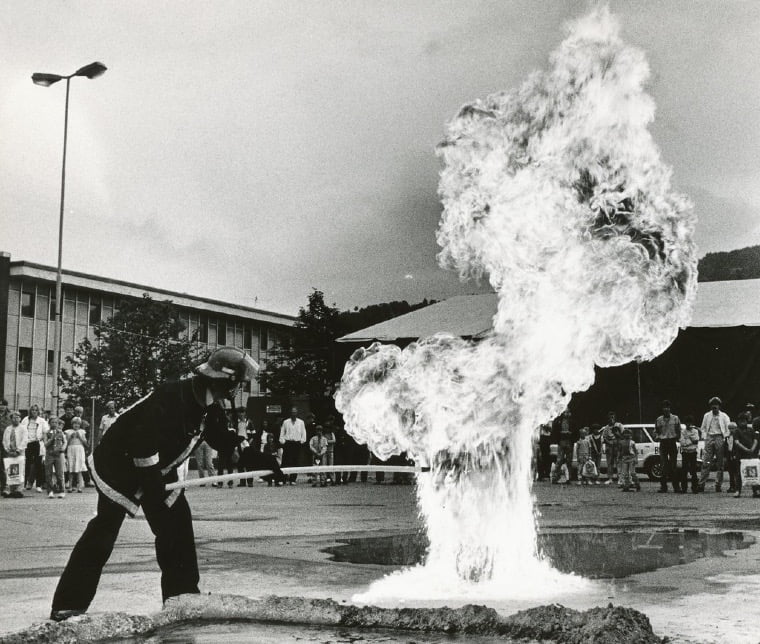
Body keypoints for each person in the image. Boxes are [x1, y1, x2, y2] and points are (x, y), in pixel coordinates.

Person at [49, 346, 257, 622]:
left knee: (177, 526)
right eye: (238, 383)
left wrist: (258, 458)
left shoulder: (209, 407)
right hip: (119, 465)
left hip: (156, 468)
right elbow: (141, 441)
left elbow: (223, 441)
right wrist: (152, 487)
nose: (238, 389)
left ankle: (182, 599)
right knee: (104, 531)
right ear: (225, 380)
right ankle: (68, 605)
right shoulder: (171, 396)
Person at [698, 397, 730, 492]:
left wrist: (724, 437)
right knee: (706, 462)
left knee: (720, 463)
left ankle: (718, 484)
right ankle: (701, 484)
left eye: (716, 404)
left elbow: (728, 429)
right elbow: (703, 428)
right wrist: (705, 437)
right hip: (709, 437)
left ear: (719, 406)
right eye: (713, 404)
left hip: (719, 437)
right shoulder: (707, 416)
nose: (714, 406)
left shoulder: (724, 416)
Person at [654, 400, 681, 493]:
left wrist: (677, 437)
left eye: (668, 407)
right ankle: (663, 487)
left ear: (670, 408)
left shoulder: (675, 418)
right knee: (663, 465)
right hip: (663, 442)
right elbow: (656, 431)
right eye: (664, 407)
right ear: (662, 409)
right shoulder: (659, 419)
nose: (666, 409)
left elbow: (679, 430)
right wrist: (658, 437)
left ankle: (676, 487)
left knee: (674, 465)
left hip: (672, 442)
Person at [21, 403, 48, 492]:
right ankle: (25, 484)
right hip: (28, 444)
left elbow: (45, 433)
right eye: (33, 410)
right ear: (30, 411)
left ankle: (38, 485)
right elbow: (21, 431)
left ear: (38, 411)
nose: (34, 412)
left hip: (37, 444)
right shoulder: (25, 419)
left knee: (38, 464)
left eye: (36, 410)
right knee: (27, 464)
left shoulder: (42, 421)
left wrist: (45, 445)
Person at [732, 413, 758, 498]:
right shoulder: (736, 431)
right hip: (740, 455)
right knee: (739, 473)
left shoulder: (751, 430)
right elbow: (737, 442)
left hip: (751, 454)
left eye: (744, 421)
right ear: (738, 422)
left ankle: (756, 490)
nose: (742, 423)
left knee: (754, 472)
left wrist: (752, 449)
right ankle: (737, 490)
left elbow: (755, 440)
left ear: (747, 421)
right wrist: (746, 449)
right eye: (741, 421)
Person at [2, 411, 28, 498]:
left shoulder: (23, 428)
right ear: (11, 419)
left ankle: (19, 489)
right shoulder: (8, 429)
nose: (15, 419)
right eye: (13, 417)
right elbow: (4, 441)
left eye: (17, 417)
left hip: (19, 452)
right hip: (10, 452)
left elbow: (24, 440)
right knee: (9, 470)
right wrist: (7, 450)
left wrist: (18, 450)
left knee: (20, 471)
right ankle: (9, 489)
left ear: (20, 418)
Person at [280, 407, 306, 484]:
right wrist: (283, 441)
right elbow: (282, 433)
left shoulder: (301, 422)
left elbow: (303, 433)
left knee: (295, 461)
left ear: (296, 413)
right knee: (285, 461)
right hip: (288, 443)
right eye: (292, 412)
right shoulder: (285, 422)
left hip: (296, 444)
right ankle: (283, 479)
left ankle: (292, 479)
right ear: (290, 413)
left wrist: (301, 441)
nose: (293, 414)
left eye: (294, 412)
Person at [44, 418, 67, 499]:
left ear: (58, 424)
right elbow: (46, 444)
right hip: (49, 454)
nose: (54, 424)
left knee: (59, 473)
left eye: (56, 422)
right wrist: (52, 438)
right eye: (52, 422)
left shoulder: (61, 432)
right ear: (49, 423)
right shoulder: (46, 433)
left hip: (58, 454)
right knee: (48, 473)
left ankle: (61, 490)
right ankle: (50, 491)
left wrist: (63, 448)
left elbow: (65, 441)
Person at [65, 417, 89, 493]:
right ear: (72, 424)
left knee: (79, 468)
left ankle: (80, 487)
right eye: (75, 423)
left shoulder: (82, 432)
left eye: (78, 424)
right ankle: (70, 486)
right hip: (71, 449)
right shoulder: (68, 432)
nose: (76, 425)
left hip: (79, 450)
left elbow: (85, 444)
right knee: (71, 468)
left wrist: (80, 437)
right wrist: (70, 437)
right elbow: (66, 443)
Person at [552, 410, 575, 483]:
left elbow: (575, 431)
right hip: (561, 441)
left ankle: (569, 478)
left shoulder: (572, 422)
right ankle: (555, 477)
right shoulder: (559, 421)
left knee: (569, 461)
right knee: (559, 460)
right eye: (565, 412)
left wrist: (571, 435)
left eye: (568, 412)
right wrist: (558, 439)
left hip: (569, 441)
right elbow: (555, 431)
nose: (567, 414)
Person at [678, 415, 700, 494]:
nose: (688, 424)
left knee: (693, 471)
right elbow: (682, 443)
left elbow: (696, 440)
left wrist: (688, 439)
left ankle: (695, 488)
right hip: (685, 452)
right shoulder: (682, 432)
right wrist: (691, 440)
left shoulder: (695, 431)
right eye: (687, 423)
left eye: (690, 422)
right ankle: (684, 488)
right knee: (684, 470)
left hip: (693, 452)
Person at [601, 412, 623, 485]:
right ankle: (610, 478)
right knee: (609, 463)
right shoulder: (606, 428)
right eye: (610, 418)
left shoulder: (619, 425)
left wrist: (617, 435)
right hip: (609, 445)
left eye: (613, 417)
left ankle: (620, 478)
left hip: (617, 444)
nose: (611, 419)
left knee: (618, 462)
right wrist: (608, 442)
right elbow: (604, 437)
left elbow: (623, 435)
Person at [617, 428, 639, 492]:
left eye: (628, 433)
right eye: (625, 433)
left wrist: (636, 458)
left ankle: (637, 484)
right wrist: (618, 458)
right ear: (623, 435)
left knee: (632, 473)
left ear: (630, 435)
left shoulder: (632, 442)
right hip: (624, 458)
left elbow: (635, 451)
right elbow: (619, 451)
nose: (627, 435)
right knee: (625, 473)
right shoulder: (621, 442)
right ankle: (626, 486)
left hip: (631, 458)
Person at [0, 398, 11, 495]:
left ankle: (6, 486)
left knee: (5, 464)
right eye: (0, 405)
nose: (1, 407)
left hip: (5, 443)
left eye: (3, 405)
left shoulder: (10, 417)